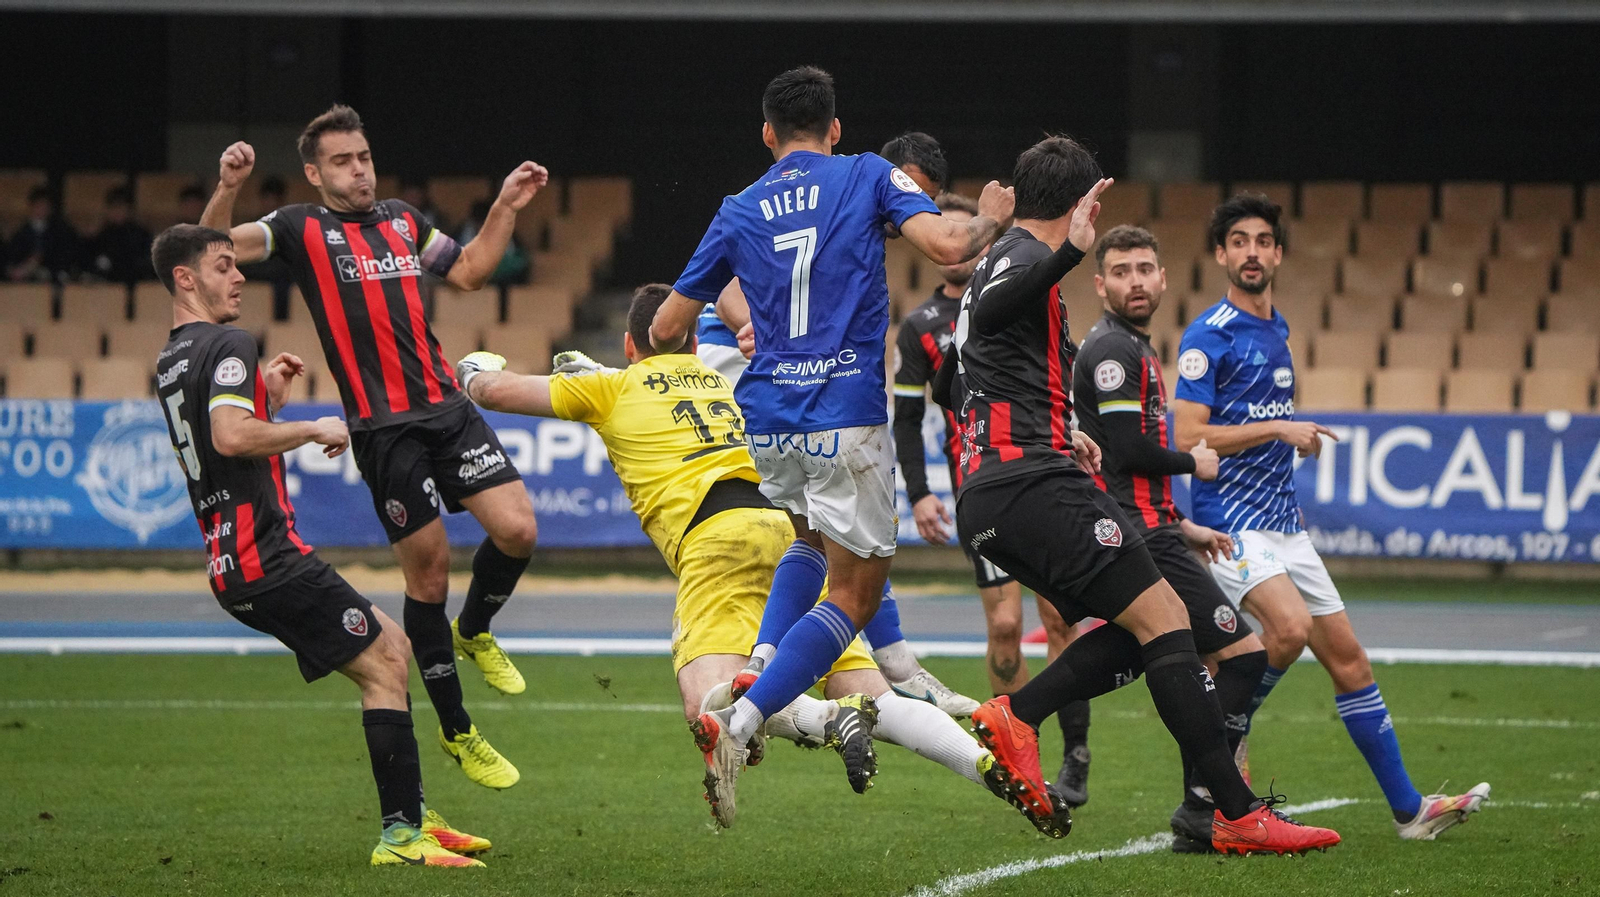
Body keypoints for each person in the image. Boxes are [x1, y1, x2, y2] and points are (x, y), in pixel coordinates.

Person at [453, 283, 1069, 836]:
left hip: (716, 541)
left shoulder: (608, 386)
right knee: (881, 699)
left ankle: (832, 720)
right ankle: (989, 767)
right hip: (792, 537)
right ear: (695, 342)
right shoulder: (721, 380)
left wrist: (477, 364)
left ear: (629, 345)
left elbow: (490, 390)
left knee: (709, 706)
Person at [941, 136, 1339, 855]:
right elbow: (998, 316)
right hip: (1030, 483)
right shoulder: (1025, 259)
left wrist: (1061, 427)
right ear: (1083, 204)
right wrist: (1069, 252)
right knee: (1170, 620)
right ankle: (1231, 812)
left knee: (1151, 624)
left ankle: (1022, 715)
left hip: (995, 488)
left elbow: (959, 376)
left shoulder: (995, 265)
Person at [648, 66, 1014, 822]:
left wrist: (745, 308)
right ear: (836, 128)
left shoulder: (737, 207)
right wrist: (990, 217)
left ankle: (759, 662)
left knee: (808, 544)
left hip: (768, 419)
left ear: (767, 133)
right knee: (855, 595)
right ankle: (743, 719)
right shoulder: (866, 173)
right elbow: (951, 247)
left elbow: (664, 328)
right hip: (845, 413)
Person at [198, 105, 545, 789]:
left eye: (363, 157)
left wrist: (505, 206)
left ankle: (475, 630)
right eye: (342, 161)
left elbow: (469, 271)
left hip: (448, 409)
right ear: (314, 173)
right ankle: (458, 730)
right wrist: (229, 187)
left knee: (519, 530)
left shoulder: (403, 221)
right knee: (430, 576)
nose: (359, 170)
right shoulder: (297, 227)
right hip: (384, 430)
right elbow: (208, 253)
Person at [150, 224, 487, 867]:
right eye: (223, 266)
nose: (240, 276)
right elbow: (229, 437)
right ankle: (401, 837)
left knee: (392, 646)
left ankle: (413, 813)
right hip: (265, 556)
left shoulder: (173, 356)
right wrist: (310, 427)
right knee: (385, 664)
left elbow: (224, 435)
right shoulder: (229, 341)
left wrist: (266, 402)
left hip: (234, 557)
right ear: (185, 279)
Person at [1172, 193, 1490, 840]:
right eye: (1239, 241)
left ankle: (1411, 812)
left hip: (1283, 524)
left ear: (1279, 254)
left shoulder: (1279, 330)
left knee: (1350, 663)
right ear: (1221, 255)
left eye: (1264, 241)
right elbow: (1186, 435)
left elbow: (1259, 423)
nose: (1252, 252)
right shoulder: (1209, 334)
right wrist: (1277, 429)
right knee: (1287, 630)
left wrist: (1294, 438)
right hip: (1230, 522)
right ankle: (1225, 740)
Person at [1072, 223, 1276, 852]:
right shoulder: (1114, 349)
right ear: (1100, 284)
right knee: (1242, 657)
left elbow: (1120, 463)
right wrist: (1195, 462)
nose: (1135, 282)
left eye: (1144, 269)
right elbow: (1126, 450)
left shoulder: (1131, 344)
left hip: (1154, 528)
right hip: (1140, 535)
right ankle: (1204, 800)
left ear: (1163, 278)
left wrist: (1183, 524)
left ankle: (1201, 806)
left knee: (1170, 656)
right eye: (1121, 272)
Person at [888, 189, 1090, 800]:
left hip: (1043, 470)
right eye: (947, 237)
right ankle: (1019, 753)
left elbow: (1058, 372)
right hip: (983, 486)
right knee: (1005, 626)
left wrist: (1073, 428)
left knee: (1060, 616)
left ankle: (1075, 754)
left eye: (968, 234)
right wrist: (919, 493)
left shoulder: (1019, 292)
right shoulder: (920, 328)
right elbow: (906, 419)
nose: (958, 248)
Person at [7, 187, 78, 282]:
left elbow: (64, 257)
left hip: (52, 278)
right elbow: (12, 258)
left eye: (45, 206)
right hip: (26, 280)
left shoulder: (60, 232)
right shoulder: (21, 233)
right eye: (38, 205)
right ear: (31, 206)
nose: (42, 209)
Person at [85, 186, 153, 284]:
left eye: (121, 207)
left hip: (134, 283)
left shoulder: (141, 235)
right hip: (106, 286)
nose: (117, 212)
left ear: (129, 209)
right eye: (113, 207)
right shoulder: (101, 237)